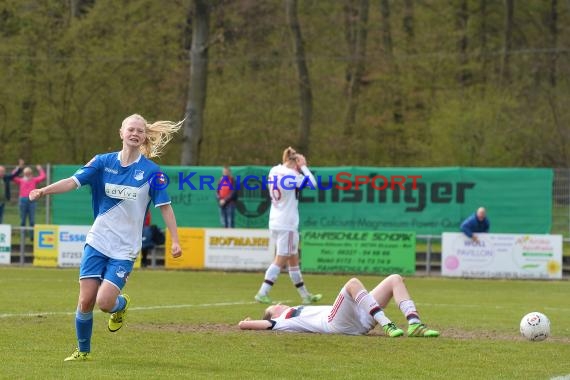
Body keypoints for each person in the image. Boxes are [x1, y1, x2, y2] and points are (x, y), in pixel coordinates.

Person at [29, 114, 183, 362]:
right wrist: (44, 190)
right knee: (86, 300)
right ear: (121, 132)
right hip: (98, 241)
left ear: (144, 137)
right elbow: (73, 181)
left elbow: (165, 206)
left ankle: (120, 305)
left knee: (104, 301)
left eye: (140, 131)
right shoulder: (102, 162)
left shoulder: (152, 172)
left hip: (125, 249)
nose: (135, 133)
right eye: (130, 129)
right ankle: (83, 351)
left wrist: (175, 240)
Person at [240, 275, 439, 338]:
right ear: (272, 313)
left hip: (357, 320)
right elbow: (260, 325)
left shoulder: (293, 310)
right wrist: (246, 323)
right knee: (352, 283)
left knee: (395, 279)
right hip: (335, 324)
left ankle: (414, 324)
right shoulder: (280, 320)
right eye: (275, 305)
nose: (279, 304)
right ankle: (387, 324)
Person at [254, 147, 321, 305]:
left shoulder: (274, 170)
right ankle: (262, 292)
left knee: (293, 260)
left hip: (275, 220)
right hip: (288, 223)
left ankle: (305, 295)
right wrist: (304, 166)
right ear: (296, 162)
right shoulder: (294, 175)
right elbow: (313, 183)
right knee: (280, 259)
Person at [13, 164, 46, 239]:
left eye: (29, 173)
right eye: (26, 173)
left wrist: (40, 169)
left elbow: (43, 177)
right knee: (23, 220)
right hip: (23, 201)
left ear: (31, 174)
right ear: (24, 174)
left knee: (32, 220)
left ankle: (32, 236)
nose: (27, 175)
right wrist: (17, 168)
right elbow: (13, 177)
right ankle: (22, 236)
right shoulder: (21, 180)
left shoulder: (34, 180)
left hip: (32, 201)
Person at [0, 159, 24, 224]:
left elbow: (14, 174)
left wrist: (20, 166)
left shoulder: (6, 177)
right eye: (1, 171)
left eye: (3, 171)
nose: (2, 173)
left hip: (2, 201)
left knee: (1, 218)